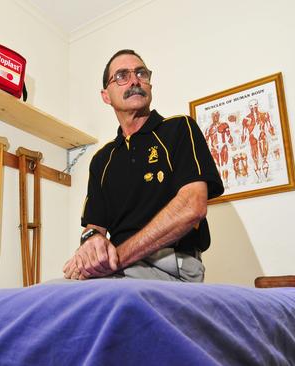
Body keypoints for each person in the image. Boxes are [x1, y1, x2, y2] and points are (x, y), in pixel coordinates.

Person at [62, 49, 224, 282]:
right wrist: (90, 245)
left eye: (141, 73)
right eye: (122, 76)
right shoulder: (102, 159)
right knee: (54, 295)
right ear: (106, 96)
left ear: (149, 85)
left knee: (84, 303)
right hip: (117, 269)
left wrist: (115, 258)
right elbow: (93, 227)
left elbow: (192, 207)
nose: (135, 80)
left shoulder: (179, 129)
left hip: (169, 265)